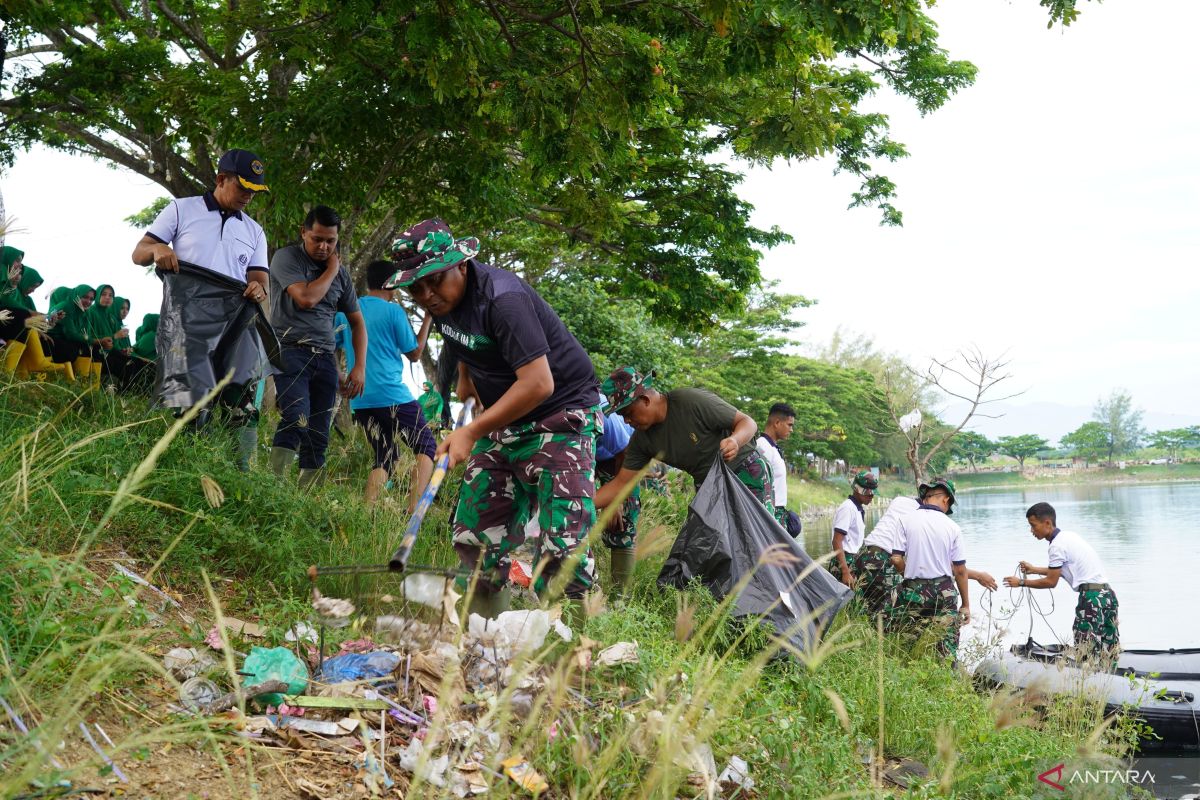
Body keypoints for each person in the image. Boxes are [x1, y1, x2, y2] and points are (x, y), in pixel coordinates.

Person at [390, 218, 602, 620]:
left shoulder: (503, 299)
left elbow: (539, 383)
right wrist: (466, 383)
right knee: (476, 534)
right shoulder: (443, 306)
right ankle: (488, 644)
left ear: (462, 265)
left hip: (562, 414)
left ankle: (576, 657)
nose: (428, 295)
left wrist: (471, 429)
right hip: (505, 419)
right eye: (416, 288)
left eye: (435, 280)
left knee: (563, 550)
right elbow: (467, 343)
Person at [131, 148, 271, 470]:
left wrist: (259, 287)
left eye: (255, 191)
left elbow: (259, 276)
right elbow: (138, 253)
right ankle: (189, 467)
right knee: (192, 400)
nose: (249, 197)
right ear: (222, 179)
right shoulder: (181, 210)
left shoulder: (254, 231)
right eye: (243, 188)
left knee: (243, 397)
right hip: (186, 322)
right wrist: (159, 248)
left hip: (235, 324)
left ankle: (240, 472)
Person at [266, 205, 367, 487]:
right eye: (317, 239)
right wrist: (333, 268)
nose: (324, 247)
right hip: (290, 349)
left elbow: (358, 323)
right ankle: (273, 488)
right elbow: (306, 298)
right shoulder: (287, 258)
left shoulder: (343, 277)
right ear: (304, 233)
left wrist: (359, 366)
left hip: (325, 358)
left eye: (330, 241)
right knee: (296, 416)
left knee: (320, 432)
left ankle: (307, 499)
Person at [593, 368, 773, 513]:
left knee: (755, 544)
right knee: (711, 551)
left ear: (645, 400)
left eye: (628, 413)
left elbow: (747, 422)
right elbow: (621, 483)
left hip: (745, 472)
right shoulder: (641, 442)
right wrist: (581, 507)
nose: (626, 421)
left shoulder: (690, 402)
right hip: (708, 486)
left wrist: (735, 440)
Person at [335, 259, 435, 509]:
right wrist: (428, 319)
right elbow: (414, 353)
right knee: (427, 446)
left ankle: (366, 513)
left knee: (385, 457)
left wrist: (339, 377)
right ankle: (413, 511)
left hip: (361, 398)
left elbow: (329, 347)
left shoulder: (348, 309)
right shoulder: (393, 312)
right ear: (392, 284)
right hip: (393, 395)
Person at [1003, 502, 1119, 658]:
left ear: (1047, 523)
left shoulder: (1056, 546)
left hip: (1092, 599)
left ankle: (1088, 679)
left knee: (1084, 648)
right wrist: (1034, 569)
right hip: (1107, 595)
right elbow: (1062, 570)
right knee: (1110, 648)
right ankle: (1111, 676)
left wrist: (1021, 583)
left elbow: (1051, 581)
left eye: (1033, 525)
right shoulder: (1069, 536)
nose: (1031, 530)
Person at [886, 477, 970, 660]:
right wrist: (966, 605)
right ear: (946, 499)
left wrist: (907, 575)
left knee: (907, 643)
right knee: (946, 648)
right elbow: (960, 571)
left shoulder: (905, 520)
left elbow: (896, 558)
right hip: (944, 592)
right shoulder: (952, 527)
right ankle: (948, 679)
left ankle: (910, 678)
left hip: (913, 591)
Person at [595, 409, 640, 599]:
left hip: (620, 458)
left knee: (620, 523)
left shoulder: (604, 413)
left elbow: (625, 452)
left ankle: (620, 598)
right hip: (585, 458)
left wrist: (615, 500)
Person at [756, 402, 802, 535]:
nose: (791, 430)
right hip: (769, 516)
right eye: (789, 425)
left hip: (777, 515)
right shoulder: (762, 448)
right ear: (777, 423)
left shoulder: (773, 449)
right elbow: (759, 488)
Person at [47, 284, 102, 385]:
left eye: (91, 299)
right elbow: (71, 334)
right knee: (73, 349)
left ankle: (90, 385)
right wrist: (96, 341)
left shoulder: (85, 312)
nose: (88, 301)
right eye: (85, 297)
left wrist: (93, 342)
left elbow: (85, 334)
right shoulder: (66, 306)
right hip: (53, 339)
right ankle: (73, 381)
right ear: (76, 295)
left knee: (95, 350)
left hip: (67, 340)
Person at [831, 471, 878, 587]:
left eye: (873, 494)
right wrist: (845, 572)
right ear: (858, 490)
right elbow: (836, 541)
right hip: (844, 562)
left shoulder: (857, 508)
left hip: (853, 561)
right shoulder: (847, 508)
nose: (871, 496)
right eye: (868, 494)